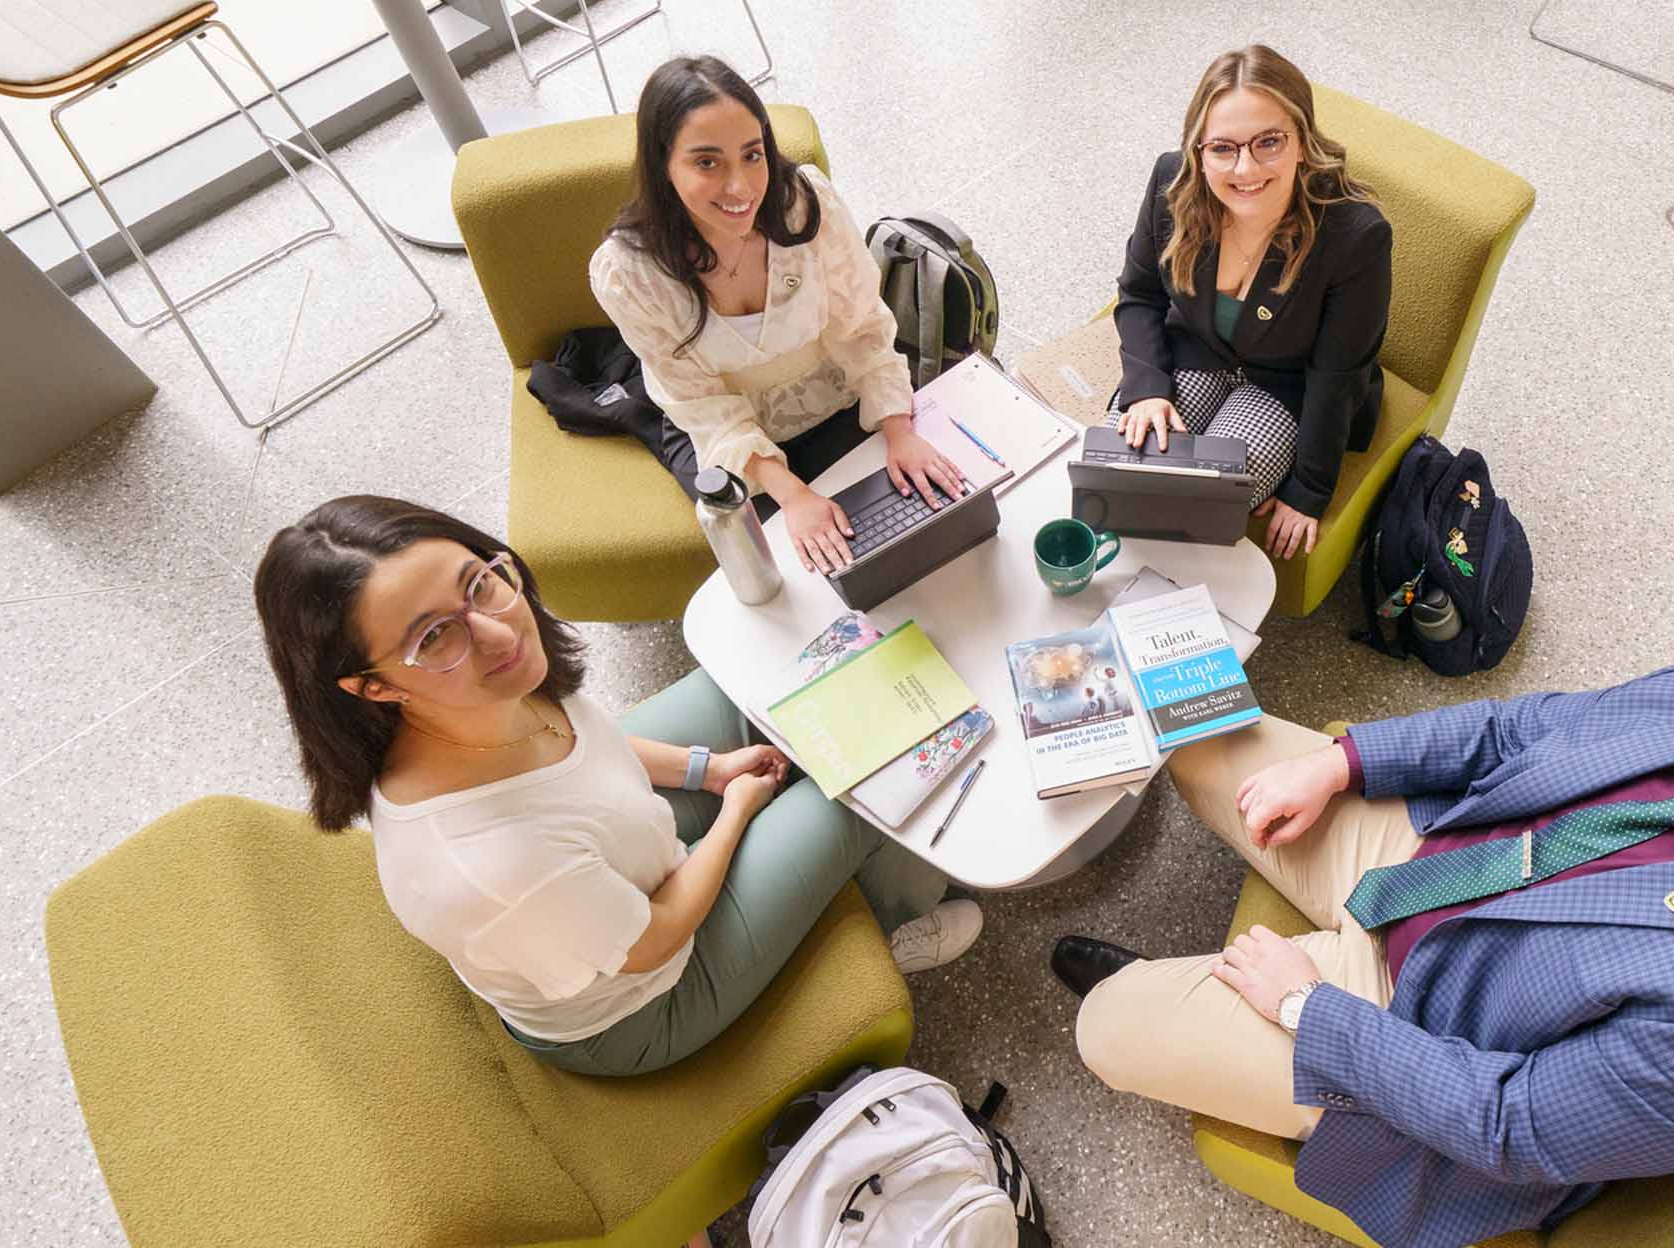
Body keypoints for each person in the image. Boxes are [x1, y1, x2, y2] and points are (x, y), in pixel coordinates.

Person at [1054, 622, 1674, 1248]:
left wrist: (1310, 1007)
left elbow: (1508, 1127)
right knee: (1194, 727)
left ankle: (1167, 992)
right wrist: (1346, 763)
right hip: (1433, 851)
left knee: (1107, 1027)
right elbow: (1521, 730)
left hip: (1419, 1031)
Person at [254, 496, 982, 1083]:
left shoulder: (479, 693)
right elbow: (656, 936)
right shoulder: (491, 867)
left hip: (622, 859)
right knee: (854, 787)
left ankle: (836, 856)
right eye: (434, 637)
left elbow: (585, 752)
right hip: (646, 1000)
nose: (498, 633)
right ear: (373, 685)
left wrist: (710, 768)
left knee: (762, 689)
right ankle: (896, 918)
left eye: (479, 583)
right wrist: (733, 813)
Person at [593, 55, 964, 576]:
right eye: (707, 162)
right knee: (795, 574)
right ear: (662, 164)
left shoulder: (805, 203)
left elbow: (861, 324)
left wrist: (899, 430)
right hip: (726, 430)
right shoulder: (628, 273)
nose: (741, 187)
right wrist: (791, 495)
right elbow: (701, 405)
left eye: (752, 154)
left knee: (916, 533)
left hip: (832, 392)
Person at [1111, 44, 1392, 560]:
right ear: (1198, 149)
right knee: (1121, 479)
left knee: (1200, 508)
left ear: (1304, 142)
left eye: (1268, 142)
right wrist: (1147, 388)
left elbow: (1338, 374)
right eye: (1222, 147)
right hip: (1194, 351)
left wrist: (1309, 489)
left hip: (1287, 386)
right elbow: (1139, 293)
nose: (1244, 168)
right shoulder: (1170, 183)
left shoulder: (1357, 236)